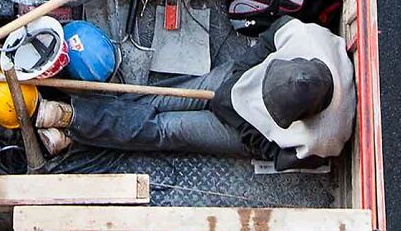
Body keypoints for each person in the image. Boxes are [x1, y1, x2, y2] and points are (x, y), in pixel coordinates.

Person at [33, 17, 356, 162]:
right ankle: (84, 128)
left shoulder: (324, 138)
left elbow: (276, 156)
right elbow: (270, 38)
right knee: (160, 98)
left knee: (165, 129)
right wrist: (237, 78)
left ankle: (75, 122)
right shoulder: (307, 38)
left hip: (244, 131)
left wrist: (243, 129)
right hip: (238, 80)